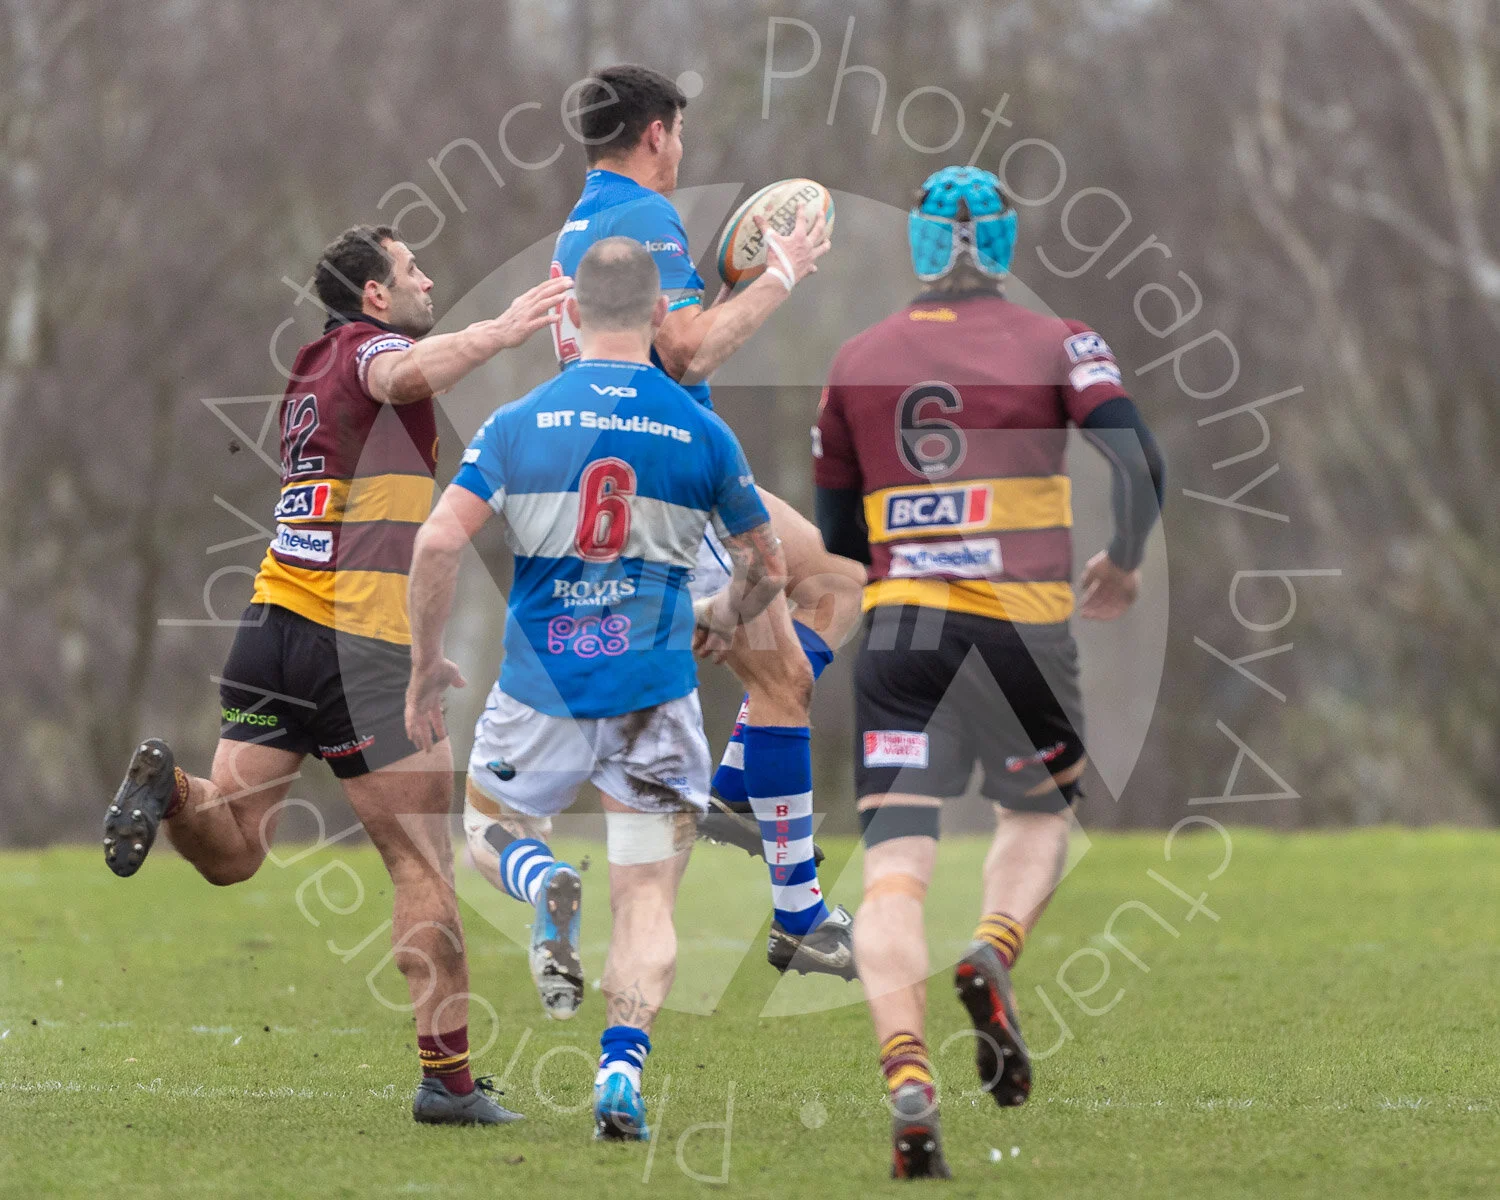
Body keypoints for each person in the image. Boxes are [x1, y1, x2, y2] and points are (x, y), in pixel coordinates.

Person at [101, 223, 570, 1127]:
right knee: (420, 864)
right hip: (353, 650)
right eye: (411, 270)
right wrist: (509, 325)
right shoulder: (374, 352)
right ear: (375, 296)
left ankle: (169, 793)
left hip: (271, 628)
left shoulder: (311, 367)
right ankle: (450, 1085)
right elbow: (407, 375)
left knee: (234, 848)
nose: (430, 278)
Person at [813, 167, 1167, 1179]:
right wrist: (1126, 562)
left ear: (920, 244)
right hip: (1022, 631)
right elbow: (1138, 463)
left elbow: (842, 532)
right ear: (1004, 243)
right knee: (1039, 816)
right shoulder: (1059, 340)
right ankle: (994, 948)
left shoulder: (857, 359)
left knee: (891, 877)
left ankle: (907, 1076)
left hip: (900, 639)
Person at [405, 237, 785, 1141]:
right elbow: (767, 570)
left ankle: (541, 883)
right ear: (661, 316)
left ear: (571, 315)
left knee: (492, 830)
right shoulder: (701, 431)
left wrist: (425, 663)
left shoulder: (518, 424)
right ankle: (620, 1075)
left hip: (544, 684)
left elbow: (434, 546)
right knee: (647, 897)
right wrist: (723, 611)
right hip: (656, 688)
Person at [544, 63, 866, 981]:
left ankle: (734, 790)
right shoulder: (644, 217)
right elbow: (683, 353)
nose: (681, 150)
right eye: (678, 133)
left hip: (674, 472)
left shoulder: (584, 218)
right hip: (663, 487)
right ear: (656, 133)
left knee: (837, 581)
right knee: (787, 681)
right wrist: (781, 276)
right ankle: (800, 913)